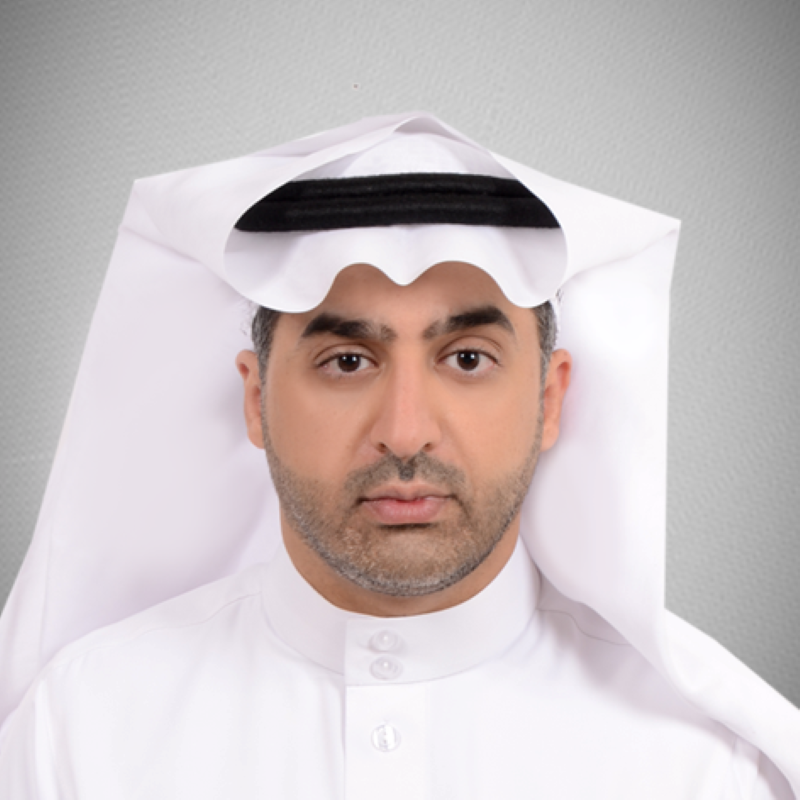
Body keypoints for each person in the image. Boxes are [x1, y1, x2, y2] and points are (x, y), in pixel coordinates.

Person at [0, 112, 796, 797]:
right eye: (348, 361)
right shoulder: (79, 735)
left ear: (550, 399)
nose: (407, 431)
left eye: (468, 359)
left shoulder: (703, 767)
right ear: (256, 399)